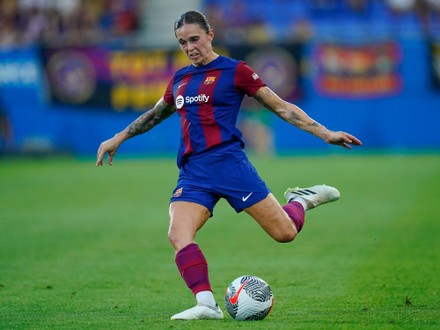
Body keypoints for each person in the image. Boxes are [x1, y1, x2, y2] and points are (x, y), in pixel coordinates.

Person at [96, 10, 362, 320]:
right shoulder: (180, 79)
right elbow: (154, 115)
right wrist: (120, 136)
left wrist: (325, 133)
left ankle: (300, 201)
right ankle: (207, 304)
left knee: (285, 233)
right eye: (182, 42)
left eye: (194, 39)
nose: (189, 47)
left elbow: (281, 107)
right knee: (178, 234)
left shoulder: (235, 71)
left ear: (210, 35)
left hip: (230, 166)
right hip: (193, 172)